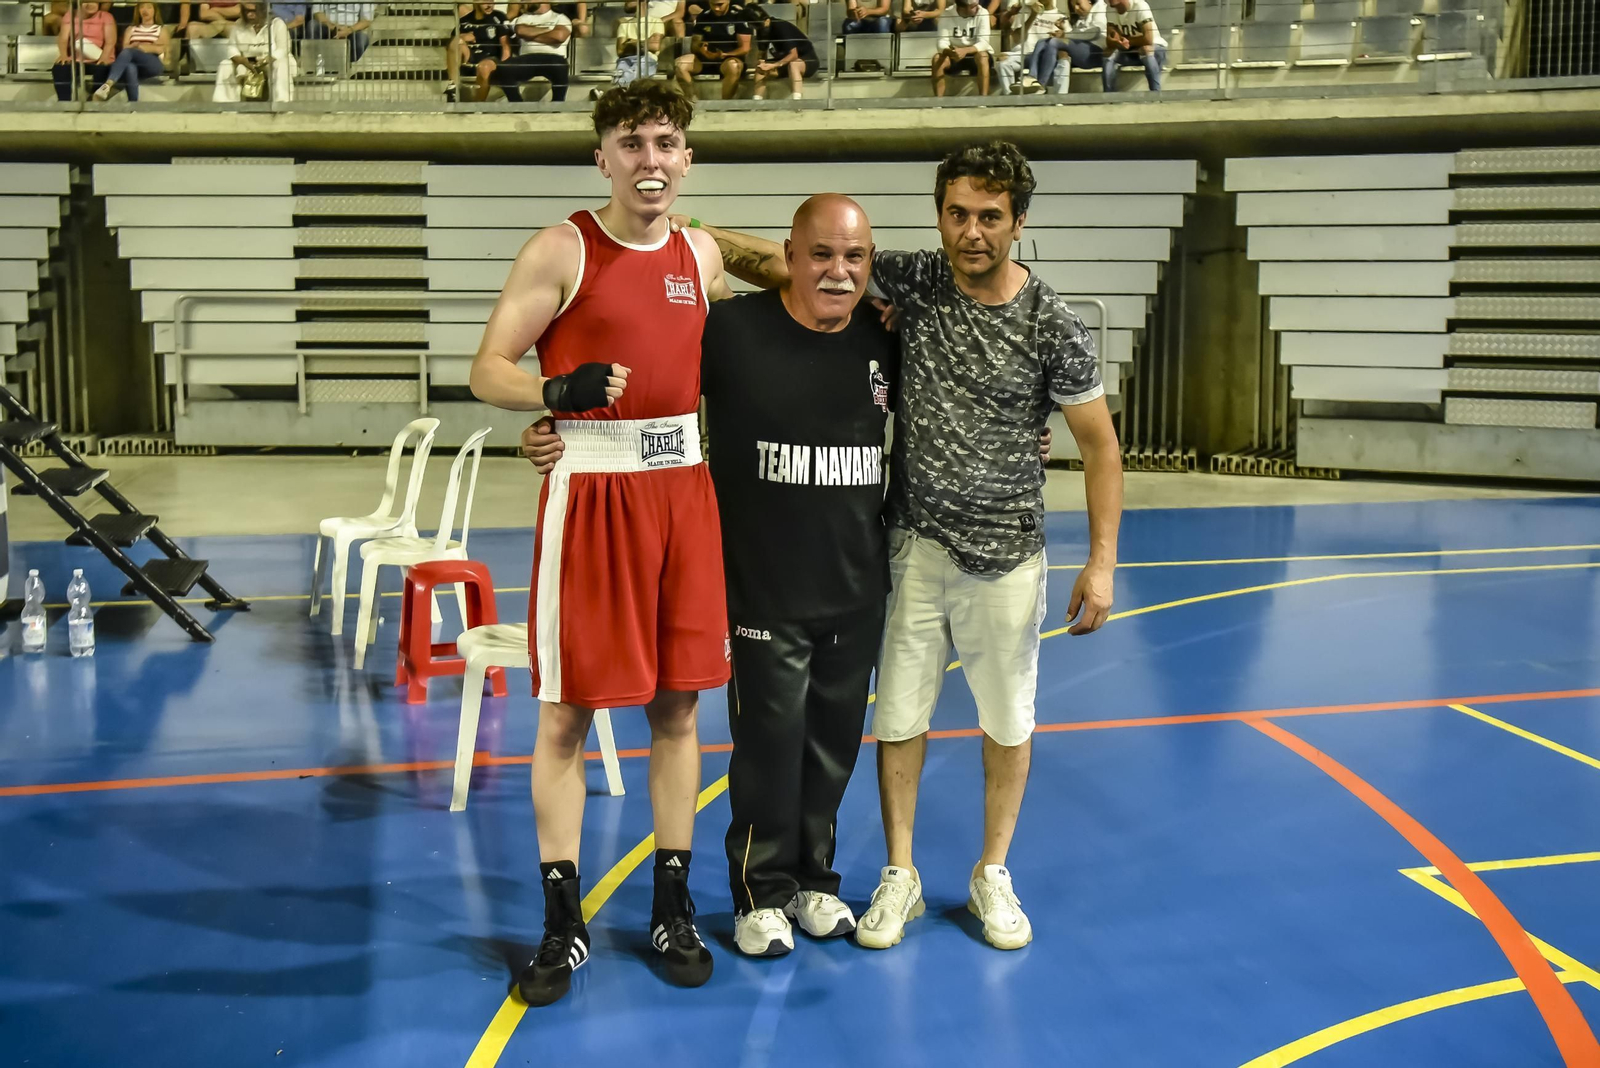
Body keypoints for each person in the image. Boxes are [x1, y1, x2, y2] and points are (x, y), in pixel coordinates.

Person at [670, 140, 1124, 953]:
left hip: (964, 562)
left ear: (1019, 221)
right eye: (958, 214)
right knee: (850, 730)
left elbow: (1097, 442)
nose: (972, 231)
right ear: (940, 218)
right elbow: (794, 275)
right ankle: (840, 881)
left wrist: (1101, 559)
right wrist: (687, 228)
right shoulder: (883, 293)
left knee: (954, 729)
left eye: (990, 216)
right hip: (886, 557)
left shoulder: (1015, 322)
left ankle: (937, 876)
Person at [467, 83, 735, 1008]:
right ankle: (561, 920)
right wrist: (552, 396)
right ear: (603, 158)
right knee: (565, 714)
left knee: (678, 707)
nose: (650, 159)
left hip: (684, 490)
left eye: (666, 142)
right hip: (593, 495)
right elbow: (487, 366)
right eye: (632, 143)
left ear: (687, 157)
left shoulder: (701, 251)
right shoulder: (562, 247)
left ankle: (671, 905)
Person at [212, 1, 294, 101]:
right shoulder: (239, 24)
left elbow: (283, 49)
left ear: (263, 11)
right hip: (247, 63)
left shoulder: (277, 24)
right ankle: (225, 106)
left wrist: (265, 60)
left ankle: (282, 104)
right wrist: (241, 60)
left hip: (271, 62)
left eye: (253, 11)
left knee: (280, 64)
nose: (249, 14)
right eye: (246, 11)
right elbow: (231, 47)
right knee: (225, 64)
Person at [490, 1, 570, 102]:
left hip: (554, 58)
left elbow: (559, 36)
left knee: (561, 66)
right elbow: (520, 31)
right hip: (527, 58)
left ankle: (557, 104)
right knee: (504, 68)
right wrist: (549, 30)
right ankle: (517, 104)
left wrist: (531, 35)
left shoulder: (560, 17)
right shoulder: (523, 17)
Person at [674, 0, 752, 100]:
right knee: (680, 64)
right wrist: (702, 50)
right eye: (713, 5)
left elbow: (745, 48)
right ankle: (694, 101)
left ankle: (724, 104)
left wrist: (724, 55)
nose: (716, 8)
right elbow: (694, 44)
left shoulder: (739, 16)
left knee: (734, 66)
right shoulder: (704, 16)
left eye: (720, 5)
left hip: (728, 59)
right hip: (705, 59)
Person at [92, 1, 169, 100]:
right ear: (138, 11)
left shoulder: (161, 29)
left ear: (155, 11)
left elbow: (161, 49)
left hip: (153, 63)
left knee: (129, 52)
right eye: (142, 7)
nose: (145, 10)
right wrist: (147, 46)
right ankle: (133, 104)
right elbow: (124, 49)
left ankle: (108, 83)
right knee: (129, 67)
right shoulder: (131, 29)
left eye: (149, 7)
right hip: (134, 62)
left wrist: (140, 46)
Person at [746, 4, 817, 100]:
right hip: (784, 62)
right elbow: (762, 53)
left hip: (806, 60)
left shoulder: (781, 27)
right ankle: (757, 101)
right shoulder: (761, 30)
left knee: (794, 64)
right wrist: (762, 64)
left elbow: (793, 54)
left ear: (767, 19)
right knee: (760, 69)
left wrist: (774, 65)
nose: (760, 29)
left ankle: (797, 101)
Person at [445, 0, 512, 101]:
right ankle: (452, 86)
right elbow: (450, 46)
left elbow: (506, 46)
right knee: (456, 41)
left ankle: (478, 107)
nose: (489, 5)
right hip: (469, 60)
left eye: (492, 1)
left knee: (484, 67)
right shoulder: (464, 21)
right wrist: (462, 37)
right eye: (485, 2)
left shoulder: (498, 17)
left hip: (490, 61)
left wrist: (505, 70)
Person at [54, 1, 118, 102]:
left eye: (94, 1)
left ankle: (93, 99)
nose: (90, 4)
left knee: (102, 69)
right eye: (86, 1)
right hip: (76, 59)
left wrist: (104, 57)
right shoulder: (70, 15)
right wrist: (63, 55)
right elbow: (63, 38)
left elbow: (110, 41)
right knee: (59, 68)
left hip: (98, 57)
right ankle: (64, 102)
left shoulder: (106, 16)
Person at [932, 0, 993, 96]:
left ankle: (983, 100)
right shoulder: (947, 14)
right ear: (962, 7)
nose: (977, 8)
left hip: (976, 54)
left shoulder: (983, 12)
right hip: (954, 54)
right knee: (937, 59)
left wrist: (965, 50)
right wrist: (950, 52)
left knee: (983, 56)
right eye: (973, 6)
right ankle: (938, 103)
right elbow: (941, 42)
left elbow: (984, 43)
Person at [1102, 0, 1165, 91]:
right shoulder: (1110, 8)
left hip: (1155, 49)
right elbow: (1110, 41)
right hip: (1131, 51)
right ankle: (1108, 97)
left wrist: (1127, 42)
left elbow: (1148, 39)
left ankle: (1156, 94)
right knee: (1108, 52)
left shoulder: (1140, 5)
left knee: (1146, 49)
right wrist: (1118, 41)